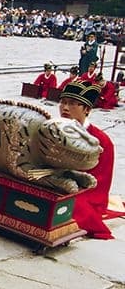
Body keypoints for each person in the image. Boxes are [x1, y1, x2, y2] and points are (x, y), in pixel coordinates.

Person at [58, 80, 118, 239]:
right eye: (63, 102)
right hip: (55, 182)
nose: (65, 108)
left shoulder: (101, 141)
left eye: (72, 104)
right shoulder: (53, 128)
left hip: (84, 193)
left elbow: (98, 183)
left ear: (87, 110)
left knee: (64, 205)